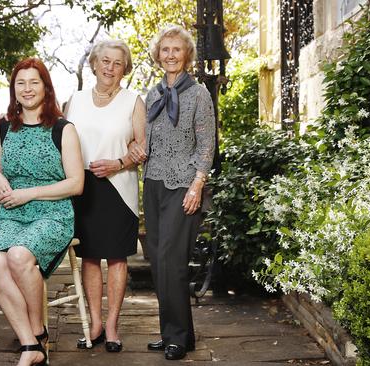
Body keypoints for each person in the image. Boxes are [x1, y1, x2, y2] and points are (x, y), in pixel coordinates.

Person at [0, 58, 84, 366]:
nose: (27, 89)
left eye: (34, 82)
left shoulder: (62, 129)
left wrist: (30, 192)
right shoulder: (3, 127)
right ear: (13, 89)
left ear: (46, 87)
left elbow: (76, 184)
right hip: (12, 212)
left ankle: (38, 331)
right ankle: (31, 344)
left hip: (52, 211)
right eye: (20, 83)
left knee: (18, 255)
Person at [64, 39, 146, 353]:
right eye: (105, 61)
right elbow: (62, 142)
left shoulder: (133, 100)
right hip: (81, 187)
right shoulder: (76, 100)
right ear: (95, 64)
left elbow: (142, 147)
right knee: (89, 256)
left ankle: (112, 325)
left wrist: (119, 163)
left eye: (117, 63)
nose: (110, 68)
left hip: (118, 187)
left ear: (124, 69)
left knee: (116, 257)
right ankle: (95, 323)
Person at [140, 25, 215, 361]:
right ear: (158, 55)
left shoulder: (199, 94)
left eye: (177, 49)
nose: (170, 55)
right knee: (158, 261)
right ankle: (176, 332)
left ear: (187, 55)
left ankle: (177, 336)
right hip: (153, 184)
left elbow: (207, 144)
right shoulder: (152, 95)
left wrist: (198, 184)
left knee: (173, 261)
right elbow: (145, 140)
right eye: (165, 49)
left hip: (184, 185)